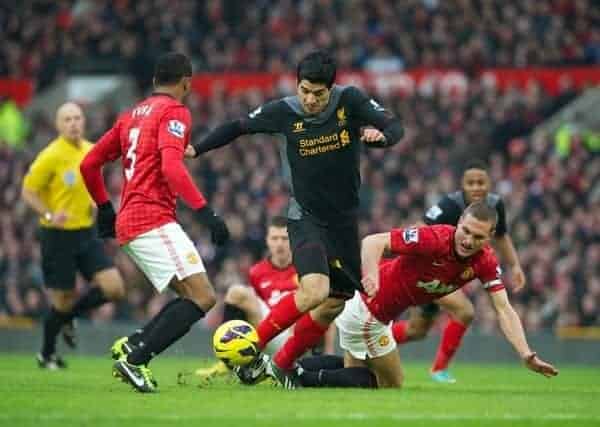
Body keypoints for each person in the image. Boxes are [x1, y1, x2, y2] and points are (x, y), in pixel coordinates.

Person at [187, 50, 404, 387]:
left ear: (330, 90)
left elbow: (393, 124)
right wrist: (196, 149)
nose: (310, 99)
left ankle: (279, 366)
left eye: (318, 93)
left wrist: (383, 137)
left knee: (335, 302)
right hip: (305, 215)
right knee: (315, 289)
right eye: (304, 90)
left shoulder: (351, 101)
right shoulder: (284, 111)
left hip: (344, 221)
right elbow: (238, 126)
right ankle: (251, 350)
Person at [79, 52, 229, 393]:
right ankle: (136, 360)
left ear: (153, 82)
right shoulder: (175, 112)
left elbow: (89, 164)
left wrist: (105, 209)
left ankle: (136, 344)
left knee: (190, 296)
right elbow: (171, 167)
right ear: (187, 82)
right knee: (204, 297)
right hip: (152, 219)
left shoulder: (130, 115)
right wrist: (207, 214)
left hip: (132, 221)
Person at [292, 202, 558, 388]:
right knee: (390, 384)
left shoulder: (484, 262)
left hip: (379, 317)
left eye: (477, 237)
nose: (467, 241)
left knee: (363, 374)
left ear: (490, 238)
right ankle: (301, 378)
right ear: (459, 223)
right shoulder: (433, 239)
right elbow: (373, 241)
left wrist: (525, 353)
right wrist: (371, 274)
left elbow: (504, 309)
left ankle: (298, 369)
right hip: (367, 311)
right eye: (465, 231)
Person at [391, 159, 527, 383]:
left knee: (417, 330)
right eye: (470, 183)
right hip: (431, 271)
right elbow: (419, 228)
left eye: (480, 182)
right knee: (465, 311)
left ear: (489, 183)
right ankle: (438, 370)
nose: (476, 187)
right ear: (462, 185)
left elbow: (501, 236)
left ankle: (376, 340)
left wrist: (515, 265)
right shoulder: (449, 205)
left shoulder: (495, 206)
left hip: (451, 275)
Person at [21, 102, 125, 369]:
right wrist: (47, 215)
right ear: (58, 125)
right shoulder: (50, 155)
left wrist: (96, 204)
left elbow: (91, 185)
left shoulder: (92, 150)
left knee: (114, 288)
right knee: (62, 300)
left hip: (86, 233)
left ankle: (68, 317)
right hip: (57, 237)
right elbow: (28, 191)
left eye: (77, 118)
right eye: (67, 119)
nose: (74, 123)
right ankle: (46, 354)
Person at [195, 216, 335, 380]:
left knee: (321, 299)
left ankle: (316, 360)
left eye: (284, 238)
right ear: (267, 241)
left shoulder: (307, 268)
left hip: (297, 335)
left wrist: (329, 351)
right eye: (274, 238)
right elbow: (255, 307)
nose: (279, 243)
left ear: (293, 240)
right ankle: (229, 361)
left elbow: (326, 311)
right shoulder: (257, 271)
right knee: (236, 292)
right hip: (267, 330)